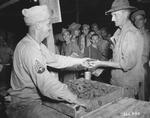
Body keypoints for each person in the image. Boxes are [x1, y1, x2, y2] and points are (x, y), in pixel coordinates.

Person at [6, 5, 93, 118]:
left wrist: (80, 61)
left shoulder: (36, 44)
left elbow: (55, 59)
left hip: (32, 100)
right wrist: (76, 99)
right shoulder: (30, 50)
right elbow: (47, 84)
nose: (49, 28)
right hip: (25, 105)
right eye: (47, 24)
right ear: (38, 25)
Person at [94, 0, 145, 98]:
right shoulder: (118, 32)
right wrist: (101, 68)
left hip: (126, 85)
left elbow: (127, 64)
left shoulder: (130, 34)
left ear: (124, 14)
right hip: (117, 82)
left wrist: (100, 63)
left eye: (115, 15)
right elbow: (116, 58)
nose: (112, 19)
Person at [131, 10, 150, 100]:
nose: (137, 22)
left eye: (140, 19)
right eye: (135, 20)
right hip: (133, 67)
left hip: (144, 67)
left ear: (145, 20)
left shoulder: (148, 34)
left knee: (143, 94)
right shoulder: (132, 35)